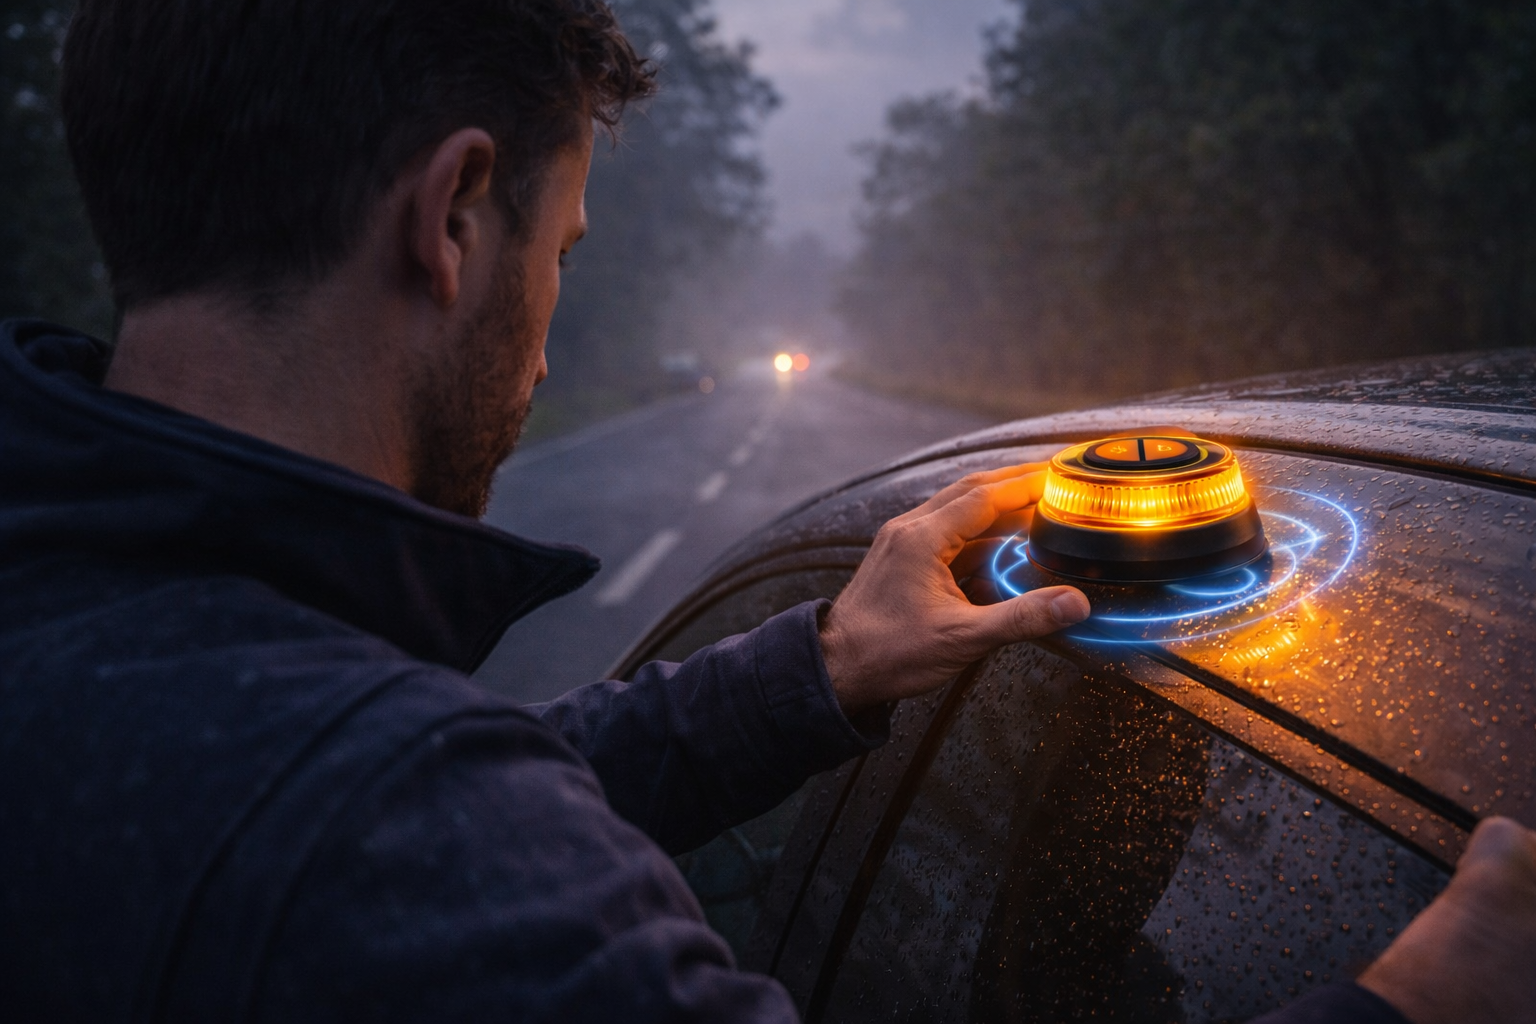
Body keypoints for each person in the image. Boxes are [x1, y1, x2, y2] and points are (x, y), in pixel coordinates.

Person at [0, 1, 1531, 1021]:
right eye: (567, 247)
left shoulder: (86, 615)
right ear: (455, 216)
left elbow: (351, 786)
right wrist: (1414, 1002)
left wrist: (819, 668)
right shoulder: (420, 846)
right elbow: (398, 818)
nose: (543, 337)